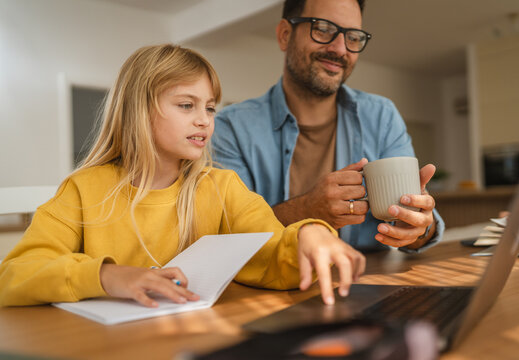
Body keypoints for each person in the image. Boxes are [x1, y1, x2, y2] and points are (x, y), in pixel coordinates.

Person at [0, 44, 365, 307]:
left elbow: (271, 255)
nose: (205, 120)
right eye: (186, 105)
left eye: (209, 107)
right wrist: (108, 277)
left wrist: (310, 232)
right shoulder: (83, 189)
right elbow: (15, 274)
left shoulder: (222, 188)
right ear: (138, 112)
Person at [212, 0, 444, 252]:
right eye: (323, 29)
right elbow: (228, 236)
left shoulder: (382, 116)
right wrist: (306, 210)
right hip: (278, 288)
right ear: (285, 35)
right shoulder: (230, 127)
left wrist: (420, 227)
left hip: (369, 282)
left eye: (353, 36)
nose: (340, 49)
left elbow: (420, 227)